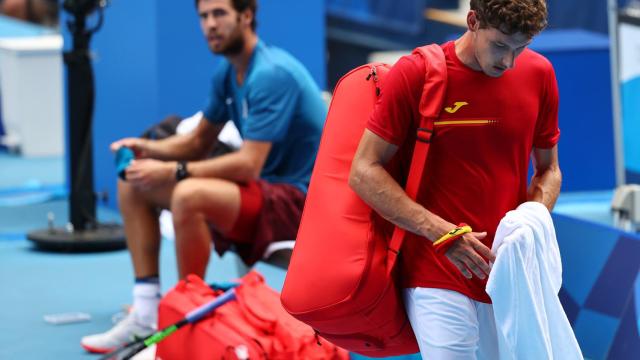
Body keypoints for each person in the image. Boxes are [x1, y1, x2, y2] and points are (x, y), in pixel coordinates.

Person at [81, 0, 326, 353]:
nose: (210, 24)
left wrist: (172, 170)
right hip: (266, 191)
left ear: (246, 16)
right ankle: (147, 312)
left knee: (189, 195)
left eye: (220, 14)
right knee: (133, 181)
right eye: (204, 16)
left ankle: (185, 321)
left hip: (300, 202)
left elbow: (248, 165)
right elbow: (198, 141)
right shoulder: (227, 73)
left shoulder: (270, 74)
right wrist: (146, 149)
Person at [348, 0, 561, 358]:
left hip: (507, 275)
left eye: (520, 48)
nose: (508, 62)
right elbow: (363, 171)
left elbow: (549, 169)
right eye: (499, 46)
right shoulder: (416, 73)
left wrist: (532, 220)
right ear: (473, 21)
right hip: (435, 271)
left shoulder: (540, 73)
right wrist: (441, 233)